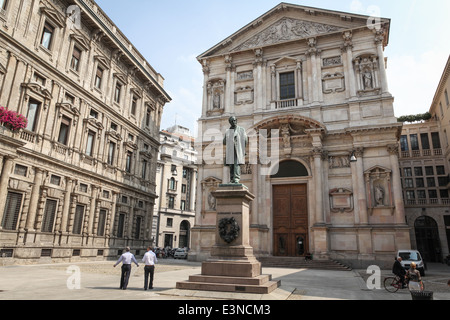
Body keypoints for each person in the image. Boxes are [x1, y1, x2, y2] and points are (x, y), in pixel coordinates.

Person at [223, 116, 248, 184]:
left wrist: (243, 149)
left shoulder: (241, 129)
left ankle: (236, 178)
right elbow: (224, 142)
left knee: (236, 164)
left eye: (234, 120)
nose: (233, 122)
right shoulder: (228, 131)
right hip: (230, 150)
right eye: (231, 121)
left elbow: (245, 140)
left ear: (236, 120)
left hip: (238, 150)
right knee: (231, 166)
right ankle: (232, 179)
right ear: (230, 123)